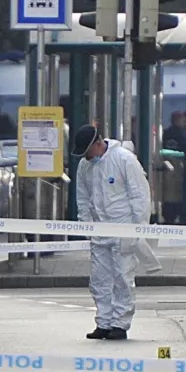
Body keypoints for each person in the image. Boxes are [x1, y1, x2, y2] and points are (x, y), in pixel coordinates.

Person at [73, 125, 153, 341]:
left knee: (122, 277)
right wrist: (86, 225)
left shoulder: (124, 159)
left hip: (123, 227)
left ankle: (120, 323)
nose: (86, 158)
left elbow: (140, 195)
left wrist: (139, 227)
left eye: (87, 152)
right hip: (99, 230)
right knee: (100, 279)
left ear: (98, 144)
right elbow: (82, 196)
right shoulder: (85, 166)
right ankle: (104, 322)